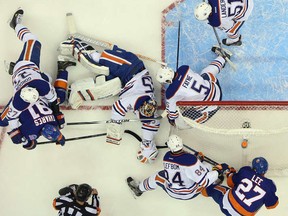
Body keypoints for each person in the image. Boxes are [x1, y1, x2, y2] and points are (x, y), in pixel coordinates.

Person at [59, 37, 160, 163]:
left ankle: (73, 90)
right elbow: (118, 107)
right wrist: (115, 128)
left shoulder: (150, 112)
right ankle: (74, 43)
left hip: (126, 79)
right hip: (128, 64)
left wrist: (148, 147)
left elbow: (151, 127)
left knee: (104, 89)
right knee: (94, 63)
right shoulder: (134, 100)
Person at [0, 8, 76, 149]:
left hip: (26, 67)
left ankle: (15, 25)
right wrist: (57, 130)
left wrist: (24, 140)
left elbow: (9, 120)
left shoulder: (19, 103)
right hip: (30, 81)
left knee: (33, 41)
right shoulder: (41, 90)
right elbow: (54, 103)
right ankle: (62, 68)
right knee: (59, 97)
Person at [127, 134, 233, 199]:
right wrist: (219, 170)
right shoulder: (191, 160)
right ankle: (216, 180)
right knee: (207, 167)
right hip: (190, 193)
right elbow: (203, 180)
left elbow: (180, 164)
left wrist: (197, 159)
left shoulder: (167, 156)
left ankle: (139, 189)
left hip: (172, 191)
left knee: (156, 177)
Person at [156, 46, 231, 128]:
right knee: (205, 73)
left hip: (211, 106)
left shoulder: (171, 93)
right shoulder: (183, 68)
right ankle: (223, 58)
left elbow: (173, 115)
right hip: (215, 87)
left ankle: (183, 124)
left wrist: (170, 117)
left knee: (179, 124)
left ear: (167, 81)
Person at [202, 157, 279, 215]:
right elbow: (272, 205)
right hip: (244, 214)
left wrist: (230, 172)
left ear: (253, 166)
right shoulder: (270, 185)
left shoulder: (246, 171)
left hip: (227, 205)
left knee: (212, 189)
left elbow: (230, 183)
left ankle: (200, 187)